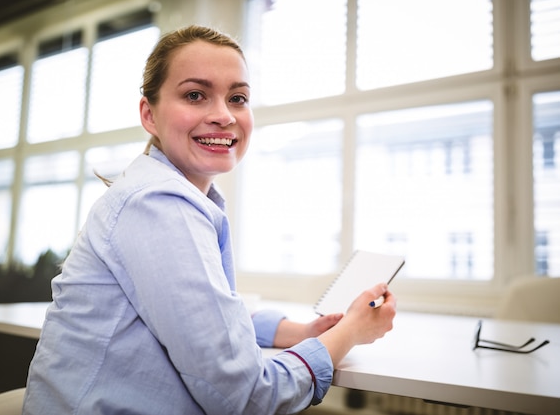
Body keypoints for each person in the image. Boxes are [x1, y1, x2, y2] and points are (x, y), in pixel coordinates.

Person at [22, 25, 396, 415]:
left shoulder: (174, 197)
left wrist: (300, 333)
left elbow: (210, 313)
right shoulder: (160, 205)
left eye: (238, 98)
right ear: (149, 114)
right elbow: (251, 397)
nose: (223, 116)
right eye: (195, 95)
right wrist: (350, 333)